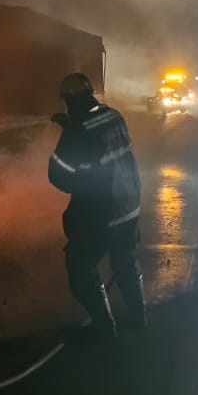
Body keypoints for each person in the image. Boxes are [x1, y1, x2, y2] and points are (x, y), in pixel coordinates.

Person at [48, 72, 145, 339]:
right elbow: (99, 141)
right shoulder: (114, 116)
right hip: (129, 204)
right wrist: (72, 127)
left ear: (70, 100)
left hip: (102, 213)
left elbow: (58, 174)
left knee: (79, 265)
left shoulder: (77, 132)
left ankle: (103, 326)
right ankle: (139, 316)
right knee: (124, 261)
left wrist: (70, 135)